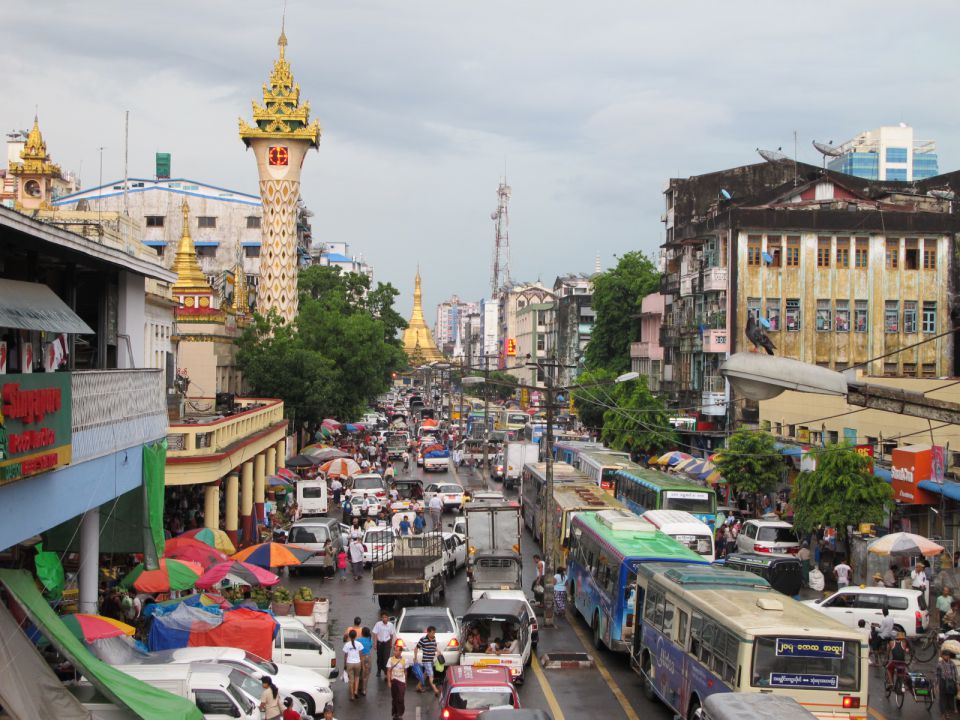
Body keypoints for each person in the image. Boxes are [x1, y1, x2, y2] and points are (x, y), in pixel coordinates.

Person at [413, 625, 441, 696]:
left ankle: (418, 686)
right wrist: (415, 658)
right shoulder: (423, 639)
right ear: (428, 632)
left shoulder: (434, 638)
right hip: (426, 660)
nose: (434, 634)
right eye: (432, 633)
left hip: (431, 660)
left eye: (434, 633)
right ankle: (435, 690)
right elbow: (416, 648)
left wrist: (438, 651)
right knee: (431, 675)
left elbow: (434, 646)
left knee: (425, 674)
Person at [386, 642, 407, 720]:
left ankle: (400, 713)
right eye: (394, 650)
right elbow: (388, 671)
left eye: (397, 650)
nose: (395, 652)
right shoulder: (390, 659)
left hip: (401, 681)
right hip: (393, 680)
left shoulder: (405, 660)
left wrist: (405, 682)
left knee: (400, 698)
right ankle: (395, 713)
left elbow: (405, 671)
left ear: (401, 652)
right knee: (394, 698)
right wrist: (389, 681)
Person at [373, 611, 397, 677]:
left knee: (386, 658)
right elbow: (375, 634)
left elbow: (392, 635)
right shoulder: (378, 624)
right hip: (380, 643)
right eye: (383, 617)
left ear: (388, 618)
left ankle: (386, 672)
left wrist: (391, 643)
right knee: (379, 658)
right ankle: (379, 670)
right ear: (381, 618)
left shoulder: (390, 625)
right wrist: (375, 643)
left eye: (385, 617)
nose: (384, 619)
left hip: (387, 643)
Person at [937, 649, 959, 719]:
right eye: (945, 655)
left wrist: (957, 683)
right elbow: (937, 675)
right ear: (942, 656)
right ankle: (944, 713)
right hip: (942, 682)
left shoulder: (952, 663)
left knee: (950, 697)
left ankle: (948, 712)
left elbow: (956, 674)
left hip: (951, 683)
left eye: (948, 655)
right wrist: (936, 685)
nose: (947, 657)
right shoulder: (939, 664)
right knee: (943, 698)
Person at [343, 629, 363, 701]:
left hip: (349, 663)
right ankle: (356, 691)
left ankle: (352, 696)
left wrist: (344, 665)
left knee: (351, 680)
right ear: (356, 636)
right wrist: (361, 663)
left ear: (349, 636)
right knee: (357, 677)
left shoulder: (347, 645)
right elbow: (360, 655)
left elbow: (345, 656)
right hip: (357, 663)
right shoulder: (359, 644)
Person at [358, 627, 373, 695]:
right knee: (366, 675)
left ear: (362, 633)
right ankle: (364, 690)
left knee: (359, 673)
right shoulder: (370, 640)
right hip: (368, 658)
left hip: (359, 658)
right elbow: (370, 647)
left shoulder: (358, 640)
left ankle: (358, 687)